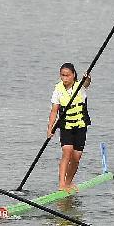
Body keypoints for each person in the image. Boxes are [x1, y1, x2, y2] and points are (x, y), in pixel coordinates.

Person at [47, 62, 92, 192]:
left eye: (67, 76)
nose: (65, 79)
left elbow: (87, 83)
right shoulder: (58, 89)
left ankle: (68, 182)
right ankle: (62, 185)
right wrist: (50, 128)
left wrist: (87, 77)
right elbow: (54, 111)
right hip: (66, 126)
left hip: (80, 126)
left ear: (73, 75)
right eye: (62, 75)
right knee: (67, 151)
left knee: (76, 157)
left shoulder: (80, 87)